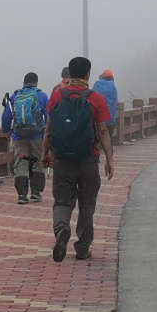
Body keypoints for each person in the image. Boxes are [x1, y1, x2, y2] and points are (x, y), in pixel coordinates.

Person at [44, 55, 115, 262]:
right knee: (86, 204)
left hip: (62, 160)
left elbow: (49, 129)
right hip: (88, 160)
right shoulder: (96, 98)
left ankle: (61, 229)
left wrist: (44, 154)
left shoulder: (57, 96)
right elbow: (103, 131)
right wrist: (110, 159)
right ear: (88, 74)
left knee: (62, 202)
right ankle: (83, 247)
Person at [2, 72, 48, 205]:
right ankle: (35, 192)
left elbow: (7, 116)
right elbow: (48, 115)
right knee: (38, 161)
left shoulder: (15, 96)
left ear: (24, 82)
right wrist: (47, 132)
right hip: (37, 135)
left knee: (21, 163)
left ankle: (22, 194)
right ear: (36, 83)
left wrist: (6, 130)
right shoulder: (41, 95)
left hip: (19, 135)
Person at [93, 68, 121, 138]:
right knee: (108, 138)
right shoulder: (113, 87)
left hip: (98, 117)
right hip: (110, 117)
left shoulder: (97, 85)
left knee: (97, 138)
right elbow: (115, 100)